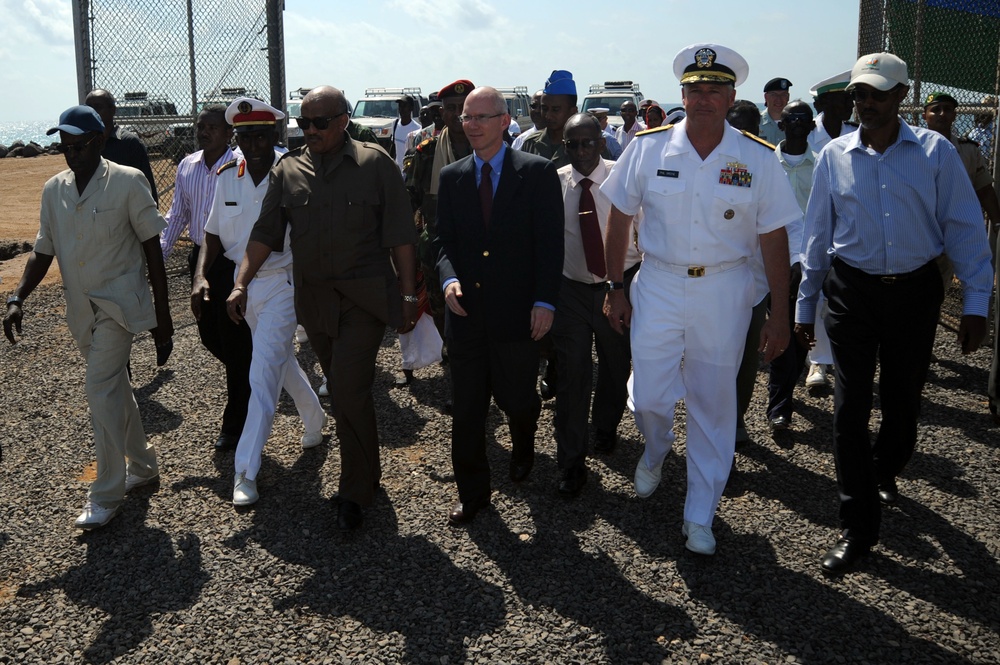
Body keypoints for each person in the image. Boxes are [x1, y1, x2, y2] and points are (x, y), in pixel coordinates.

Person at [794, 53, 993, 575]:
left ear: (902, 96)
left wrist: (976, 303)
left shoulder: (936, 153)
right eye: (859, 94)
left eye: (878, 95)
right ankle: (857, 526)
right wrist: (804, 305)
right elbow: (817, 236)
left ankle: (883, 468)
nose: (866, 104)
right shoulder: (834, 156)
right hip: (851, 291)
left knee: (903, 401)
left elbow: (965, 228)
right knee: (849, 406)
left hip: (914, 293)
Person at [602, 43, 799, 556]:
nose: (704, 98)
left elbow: (774, 236)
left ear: (732, 95)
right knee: (647, 394)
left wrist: (780, 313)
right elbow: (619, 217)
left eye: (715, 89)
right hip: (660, 282)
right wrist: (615, 286)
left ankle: (700, 513)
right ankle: (656, 446)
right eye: (695, 89)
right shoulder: (647, 147)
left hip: (724, 290)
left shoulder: (756, 157)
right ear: (682, 95)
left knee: (715, 402)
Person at [229, 86, 417, 531]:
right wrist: (241, 283)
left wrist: (409, 297)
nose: (308, 130)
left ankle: (353, 492)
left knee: (349, 389)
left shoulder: (375, 165)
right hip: (314, 303)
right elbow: (265, 232)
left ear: (343, 120)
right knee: (344, 387)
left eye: (319, 122)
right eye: (302, 123)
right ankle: (368, 472)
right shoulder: (288, 170)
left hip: (363, 300)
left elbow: (401, 237)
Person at [3, 106, 173, 529]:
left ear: (99, 141)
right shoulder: (53, 190)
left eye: (79, 145)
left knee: (98, 391)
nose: (70, 153)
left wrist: (162, 318)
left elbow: (154, 251)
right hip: (81, 311)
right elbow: (43, 250)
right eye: (65, 146)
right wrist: (18, 296)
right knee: (114, 389)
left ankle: (107, 493)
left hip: (120, 308)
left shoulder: (128, 183)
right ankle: (145, 466)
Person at [435, 86, 564, 526]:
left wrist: (545, 301)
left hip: (518, 315)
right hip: (467, 317)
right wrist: (449, 278)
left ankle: (524, 444)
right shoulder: (452, 177)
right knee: (467, 411)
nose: (470, 125)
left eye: (480, 117)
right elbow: (443, 241)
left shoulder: (537, 172)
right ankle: (473, 494)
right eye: (466, 118)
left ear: (505, 121)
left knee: (519, 400)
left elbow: (550, 245)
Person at [193, 98, 327, 507]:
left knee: (261, 374)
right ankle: (315, 417)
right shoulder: (226, 175)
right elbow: (212, 233)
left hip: (282, 283)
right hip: (240, 285)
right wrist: (200, 275)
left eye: (260, 135)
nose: (252, 144)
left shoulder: (291, 174)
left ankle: (246, 470)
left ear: (274, 136)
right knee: (278, 359)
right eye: (244, 135)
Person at [551, 113, 641, 496]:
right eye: (573, 144)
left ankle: (605, 425)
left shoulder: (626, 177)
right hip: (570, 289)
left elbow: (645, 231)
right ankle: (571, 461)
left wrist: (626, 287)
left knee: (615, 363)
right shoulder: (555, 183)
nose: (581, 151)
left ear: (602, 143)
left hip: (620, 285)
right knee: (572, 373)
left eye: (588, 143)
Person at [161, 105, 253, 452]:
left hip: (233, 262)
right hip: (200, 262)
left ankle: (235, 424)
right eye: (200, 126)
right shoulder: (188, 166)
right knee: (207, 335)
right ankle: (253, 375)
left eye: (212, 126)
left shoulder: (240, 166)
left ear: (228, 132)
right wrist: (160, 254)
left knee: (232, 339)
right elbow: (177, 215)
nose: (204, 131)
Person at [404, 80, 476, 347]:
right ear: (441, 113)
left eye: (463, 107)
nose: (458, 114)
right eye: (451, 108)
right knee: (442, 312)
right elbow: (408, 204)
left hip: (481, 247)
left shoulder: (489, 148)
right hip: (437, 248)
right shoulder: (426, 154)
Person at [724, 98, 774, 446]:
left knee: (745, 362)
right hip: (713, 283)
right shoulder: (714, 162)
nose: (743, 135)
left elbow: (785, 227)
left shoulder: (766, 163)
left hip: (754, 284)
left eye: (749, 129)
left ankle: (736, 419)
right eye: (736, 127)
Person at [765, 100, 813, 432]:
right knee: (780, 324)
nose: (796, 124)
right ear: (781, 125)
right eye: (790, 119)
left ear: (812, 126)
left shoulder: (824, 164)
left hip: (811, 262)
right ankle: (779, 404)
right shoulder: (764, 163)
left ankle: (786, 391)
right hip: (770, 259)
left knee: (801, 332)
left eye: (803, 119)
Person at [85, 89, 159, 203]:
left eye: (98, 107)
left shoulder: (130, 143)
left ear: (113, 110)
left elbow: (148, 190)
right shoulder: (83, 144)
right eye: (89, 107)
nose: (93, 112)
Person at [521, 70, 580, 168]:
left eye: (555, 110)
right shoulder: (530, 144)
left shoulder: (586, 146)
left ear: (573, 111)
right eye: (544, 109)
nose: (548, 115)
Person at [808, 70, 857, 153]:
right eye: (844, 99)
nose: (851, 105)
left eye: (852, 99)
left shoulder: (856, 134)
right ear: (824, 102)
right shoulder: (807, 137)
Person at [390, 94, 420, 174]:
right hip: (396, 170)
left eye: (404, 106)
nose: (401, 109)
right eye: (400, 106)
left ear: (411, 108)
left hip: (408, 171)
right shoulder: (395, 124)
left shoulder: (417, 129)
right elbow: (394, 147)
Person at [758, 77, 792, 145]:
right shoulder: (756, 122)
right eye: (774, 95)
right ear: (766, 97)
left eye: (783, 94)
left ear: (788, 97)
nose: (778, 99)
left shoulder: (795, 123)